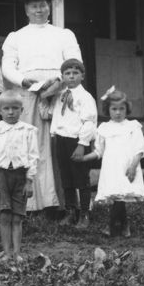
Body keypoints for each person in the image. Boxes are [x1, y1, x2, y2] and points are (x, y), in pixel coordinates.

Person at [1, 0, 82, 212]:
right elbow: (8, 66)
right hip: (28, 93)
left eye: (43, 5)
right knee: (32, 144)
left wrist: (58, 81)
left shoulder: (63, 35)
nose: (39, 10)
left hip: (58, 91)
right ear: (26, 10)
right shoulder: (16, 37)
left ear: (49, 7)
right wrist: (22, 81)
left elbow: (75, 62)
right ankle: (33, 202)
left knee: (60, 145)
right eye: (34, 6)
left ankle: (64, 202)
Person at [77, 88, 144, 238]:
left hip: (128, 166)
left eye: (122, 109)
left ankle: (111, 226)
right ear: (108, 109)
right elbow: (98, 151)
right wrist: (83, 158)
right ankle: (124, 224)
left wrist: (133, 166)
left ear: (127, 109)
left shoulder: (133, 126)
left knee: (119, 197)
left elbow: (139, 149)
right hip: (111, 168)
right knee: (117, 196)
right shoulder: (104, 128)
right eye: (114, 109)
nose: (118, 112)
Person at [0, 91, 38, 262]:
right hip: (1, 176)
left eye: (15, 108)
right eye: (6, 108)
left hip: (20, 176)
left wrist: (29, 181)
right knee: (4, 215)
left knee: (17, 216)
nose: (11, 112)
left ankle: (17, 252)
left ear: (22, 109)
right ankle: (6, 251)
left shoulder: (28, 130)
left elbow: (33, 157)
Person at [50, 58, 97, 228]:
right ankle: (71, 211)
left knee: (81, 178)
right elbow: (56, 115)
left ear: (82, 76)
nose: (71, 76)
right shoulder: (61, 95)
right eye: (67, 73)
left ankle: (84, 213)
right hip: (61, 139)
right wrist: (54, 133)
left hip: (77, 141)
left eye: (75, 73)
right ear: (62, 76)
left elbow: (89, 122)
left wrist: (82, 144)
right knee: (66, 178)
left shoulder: (85, 97)